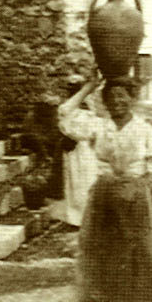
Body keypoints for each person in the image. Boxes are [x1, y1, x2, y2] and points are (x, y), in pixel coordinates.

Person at [64, 73, 152, 302]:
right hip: (105, 201)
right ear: (104, 102)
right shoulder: (99, 128)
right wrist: (90, 86)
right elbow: (65, 115)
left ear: (132, 99)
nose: (117, 102)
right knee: (110, 265)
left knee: (143, 265)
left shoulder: (144, 130)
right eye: (111, 97)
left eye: (122, 96)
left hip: (138, 200)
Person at [56, 75, 100, 227]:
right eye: (70, 89)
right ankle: (76, 217)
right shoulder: (66, 109)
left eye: (75, 89)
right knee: (75, 183)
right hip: (75, 150)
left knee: (88, 180)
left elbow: (95, 129)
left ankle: (89, 216)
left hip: (88, 150)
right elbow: (65, 123)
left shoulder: (89, 110)